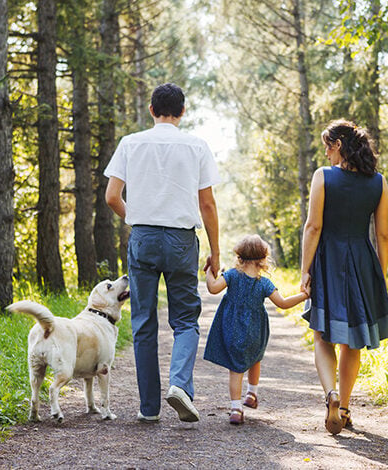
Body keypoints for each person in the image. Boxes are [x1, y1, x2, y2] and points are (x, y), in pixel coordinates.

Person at [104, 83, 221, 423]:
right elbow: (207, 204)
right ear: (182, 112)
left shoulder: (131, 143)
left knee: (143, 321)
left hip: (143, 237)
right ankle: (180, 386)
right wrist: (215, 251)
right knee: (185, 320)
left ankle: (148, 408)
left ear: (152, 110)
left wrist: (138, 218)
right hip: (182, 240)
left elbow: (112, 196)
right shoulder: (197, 146)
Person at [299, 119, 388, 435]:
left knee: (322, 333)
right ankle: (343, 407)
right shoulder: (378, 182)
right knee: (353, 339)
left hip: (328, 258)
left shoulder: (323, 177)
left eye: (327, 147)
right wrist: (379, 274)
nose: (326, 154)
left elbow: (313, 227)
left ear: (337, 145)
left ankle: (330, 393)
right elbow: (383, 234)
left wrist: (305, 270)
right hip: (361, 262)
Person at [204, 235, 309, 425]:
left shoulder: (231, 276)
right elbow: (283, 303)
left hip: (232, 328)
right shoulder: (264, 283)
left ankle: (236, 408)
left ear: (240, 257)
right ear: (262, 260)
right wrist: (304, 295)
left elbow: (212, 288)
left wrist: (208, 272)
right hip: (256, 330)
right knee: (255, 357)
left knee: (236, 368)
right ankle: (252, 393)